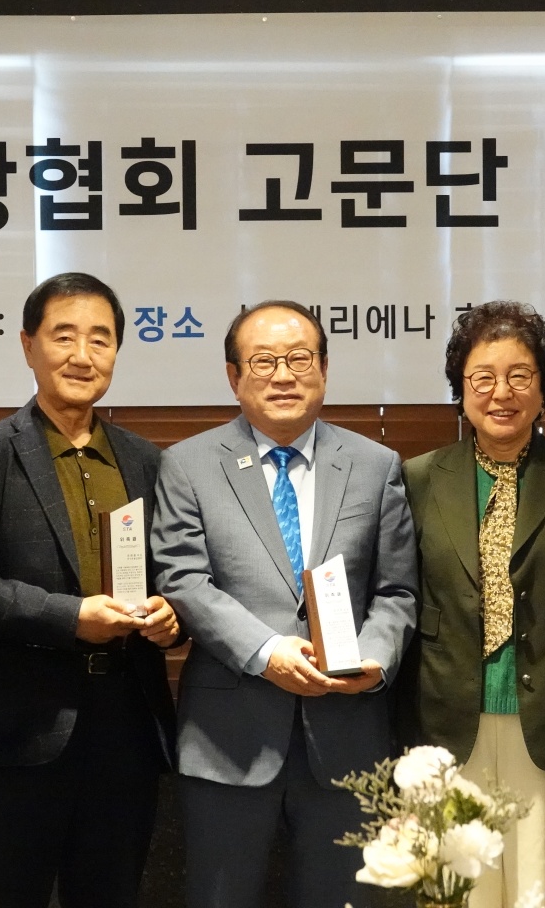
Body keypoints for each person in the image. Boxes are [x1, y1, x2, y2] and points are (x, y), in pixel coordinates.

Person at [148, 299, 418, 908]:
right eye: (264, 361)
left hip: (347, 735)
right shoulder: (188, 464)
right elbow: (184, 579)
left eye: (299, 358)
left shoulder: (375, 466)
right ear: (233, 376)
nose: (283, 375)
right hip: (228, 741)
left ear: (324, 369)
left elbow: (397, 590)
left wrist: (374, 659)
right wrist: (266, 651)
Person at [0, 272, 179, 908]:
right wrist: (71, 617)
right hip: (20, 729)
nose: (82, 356)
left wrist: (171, 617)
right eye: (63, 336)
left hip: (127, 725)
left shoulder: (148, 461)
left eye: (101, 339)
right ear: (27, 346)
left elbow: (172, 577)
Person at [399, 301, 545, 908]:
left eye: (519, 376)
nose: (501, 393)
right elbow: (403, 606)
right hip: (448, 723)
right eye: (482, 377)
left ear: (544, 385)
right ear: (460, 389)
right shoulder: (420, 478)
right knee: (458, 892)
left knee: (541, 891)